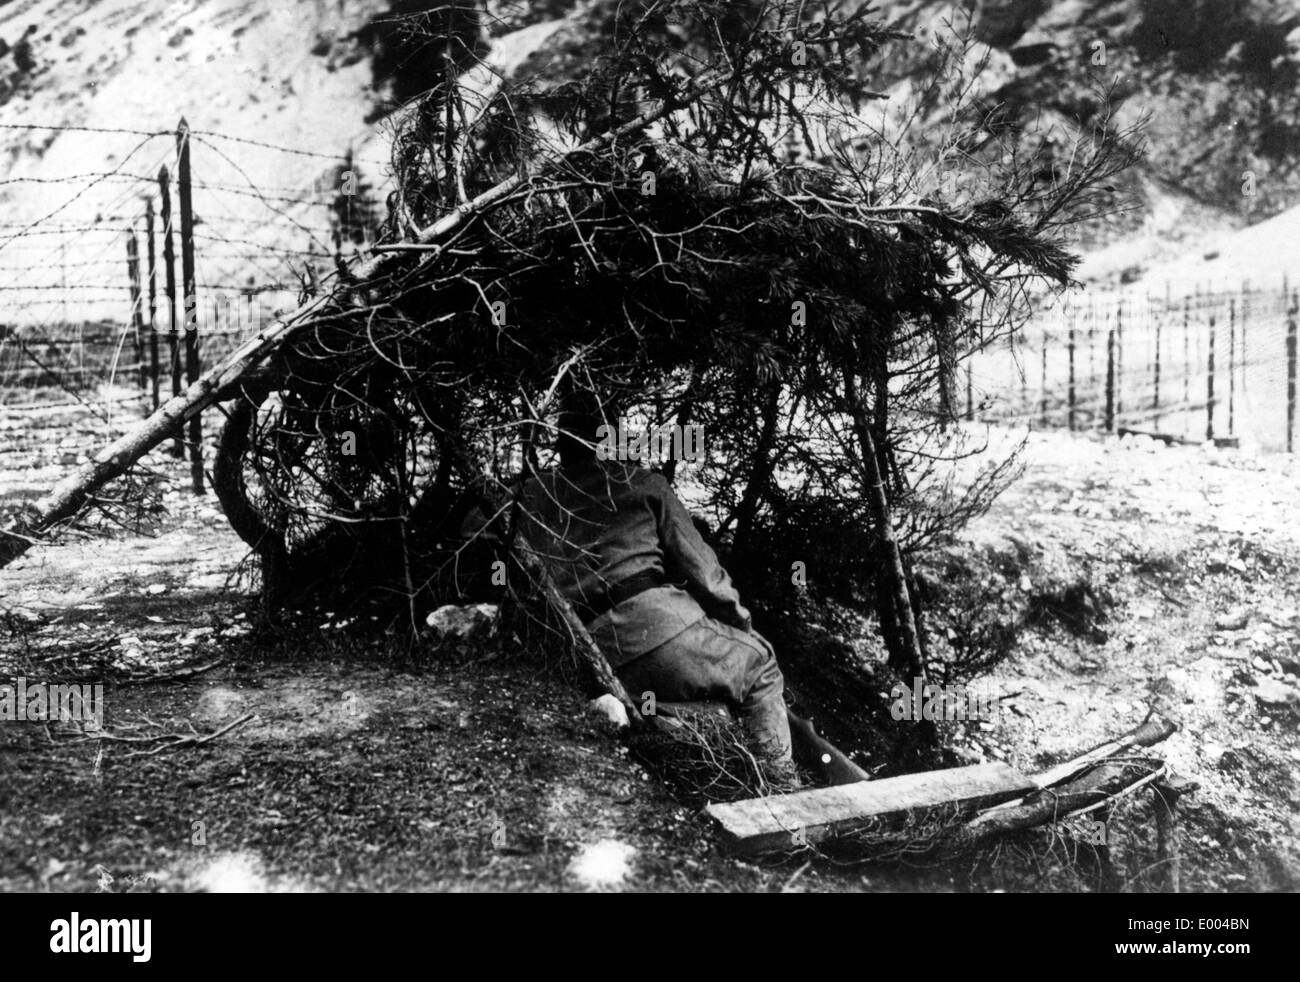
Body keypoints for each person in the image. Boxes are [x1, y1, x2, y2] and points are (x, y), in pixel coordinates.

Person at [516, 402, 797, 782]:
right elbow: (705, 573)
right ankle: (783, 790)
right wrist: (740, 627)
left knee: (676, 689)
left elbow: (478, 529)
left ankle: (681, 732)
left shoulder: (533, 495)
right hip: (658, 629)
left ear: (560, 443)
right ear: (610, 441)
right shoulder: (644, 484)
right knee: (760, 665)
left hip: (593, 652)